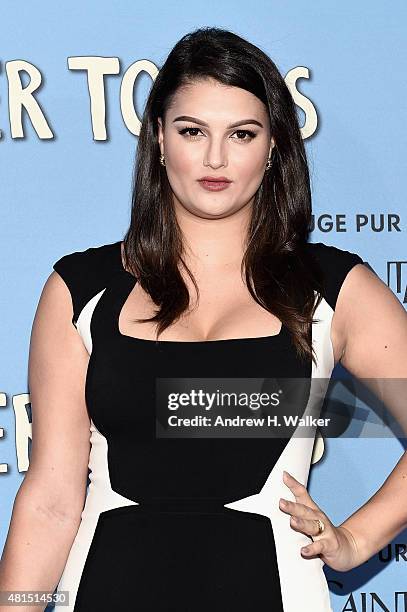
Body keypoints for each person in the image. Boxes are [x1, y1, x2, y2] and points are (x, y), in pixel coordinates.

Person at [1, 26, 406, 612]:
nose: (215, 158)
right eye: (193, 131)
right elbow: (51, 499)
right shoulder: (81, 288)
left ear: (273, 148)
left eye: (242, 133)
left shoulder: (333, 289)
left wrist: (358, 539)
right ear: (160, 140)